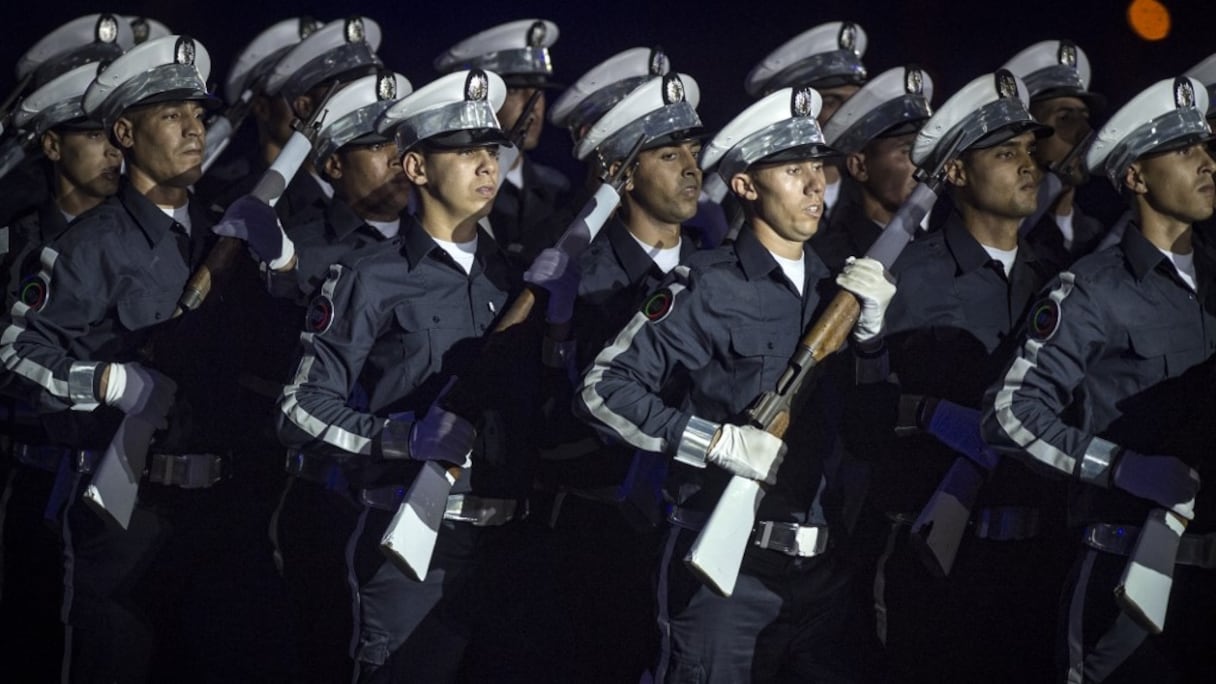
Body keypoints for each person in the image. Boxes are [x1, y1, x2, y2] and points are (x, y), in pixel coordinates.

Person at [575, 84, 893, 683]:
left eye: (817, 167)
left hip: (824, 575)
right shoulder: (708, 285)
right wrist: (712, 442)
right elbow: (603, 388)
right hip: (728, 576)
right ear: (745, 186)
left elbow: (871, 435)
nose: (813, 183)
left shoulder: (838, 290)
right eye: (792, 169)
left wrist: (872, 342)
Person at [276, 68, 573, 683]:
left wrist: (561, 327)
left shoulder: (516, 278)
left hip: (512, 549)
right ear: (415, 169)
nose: (487, 166)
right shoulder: (369, 276)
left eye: (490, 151)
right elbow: (299, 407)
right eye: (465, 153)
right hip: (413, 548)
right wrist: (401, 438)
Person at [982, 75, 1216, 683]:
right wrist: (1119, 466)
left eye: (1206, 147)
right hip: (1128, 577)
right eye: (1184, 151)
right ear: (1136, 177)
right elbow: (1009, 414)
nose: (1207, 162)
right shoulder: (1092, 290)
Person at [858, 69, 1061, 683]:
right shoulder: (905, 277)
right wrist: (926, 414)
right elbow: (857, 415)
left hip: (1037, 557)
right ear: (955, 174)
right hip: (934, 558)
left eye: (1030, 151)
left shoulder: (1060, 275)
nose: (1029, 165)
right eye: (1006, 154)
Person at [540, 71, 707, 682]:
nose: (692, 167)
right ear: (624, 175)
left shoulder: (719, 267)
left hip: (700, 524)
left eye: (693, 150)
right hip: (606, 529)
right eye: (669, 155)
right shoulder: (577, 276)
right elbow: (552, 418)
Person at [265, 68, 414, 684]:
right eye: (378, 147)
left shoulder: (434, 249)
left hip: (401, 498)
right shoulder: (299, 249)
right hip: (327, 493)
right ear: (332, 167)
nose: (397, 159)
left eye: (402, 145)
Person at [0, 57, 121, 684]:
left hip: (114, 486)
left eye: (116, 133)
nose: (112, 152)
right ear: (52, 145)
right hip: (35, 473)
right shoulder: (14, 246)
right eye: (93, 136)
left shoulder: (138, 243)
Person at [435, 19, 572, 268]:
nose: (533, 107)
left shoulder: (559, 189)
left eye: (538, 92)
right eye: (516, 91)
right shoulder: (450, 188)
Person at [745, 21, 869, 224]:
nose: (849, 114)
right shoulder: (743, 200)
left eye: (854, 102)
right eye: (830, 102)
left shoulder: (871, 194)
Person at [813, 65, 934, 273]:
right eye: (908, 152)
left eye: (924, 153)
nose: (922, 167)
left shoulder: (937, 248)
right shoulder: (827, 260)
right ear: (859, 166)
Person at [1002, 39, 1108, 271]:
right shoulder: (1002, 234)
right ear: (1030, 134)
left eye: (1084, 117)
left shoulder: (1100, 234)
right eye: (1065, 118)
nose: (1085, 133)